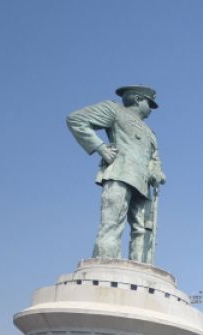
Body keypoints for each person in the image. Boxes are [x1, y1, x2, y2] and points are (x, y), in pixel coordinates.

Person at [66, 86, 166, 263]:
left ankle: (141, 269)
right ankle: (105, 263)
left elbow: (154, 158)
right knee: (112, 224)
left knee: (143, 229)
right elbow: (76, 119)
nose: (151, 109)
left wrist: (156, 172)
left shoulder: (151, 133)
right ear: (137, 99)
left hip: (143, 184)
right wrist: (101, 148)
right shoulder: (115, 110)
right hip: (120, 174)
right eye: (149, 103)